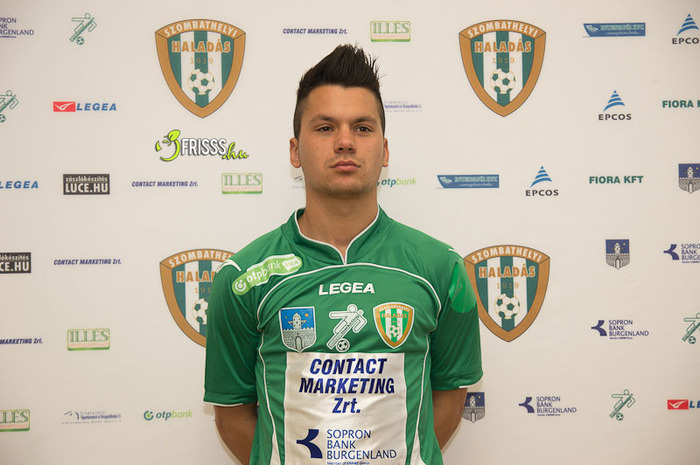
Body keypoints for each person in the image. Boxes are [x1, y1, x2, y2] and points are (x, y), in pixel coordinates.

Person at [204, 44, 482, 465]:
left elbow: (448, 399)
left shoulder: (441, 268)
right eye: (325, 128)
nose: (346, 142)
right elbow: (232, 415)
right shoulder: (243, 276)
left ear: (384, 151)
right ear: (295, 151)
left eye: (363, 128)